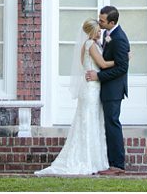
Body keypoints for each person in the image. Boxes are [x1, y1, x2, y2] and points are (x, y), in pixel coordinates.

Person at [34, 19, 112, 176]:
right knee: (88, 122)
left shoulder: (90, 45)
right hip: (91, 89)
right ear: (91, 32)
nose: (100, 32)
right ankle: (87, 160)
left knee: (90, 122)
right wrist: (123, 60)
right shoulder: (90, 44)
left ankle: (94, 159)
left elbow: (87, 64)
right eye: (97, 30)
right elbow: (103, 64)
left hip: (91, 87)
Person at [85, 5, 129, 175]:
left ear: (112, 22)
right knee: (109, 124)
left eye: (102, 20)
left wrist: (99, 76)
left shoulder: (119, 38)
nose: (99, 22)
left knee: (112, 124)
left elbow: (122, 68)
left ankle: (117, 165)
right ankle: (109, 161)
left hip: (113, 89)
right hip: (107, 89)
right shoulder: (108, 34)